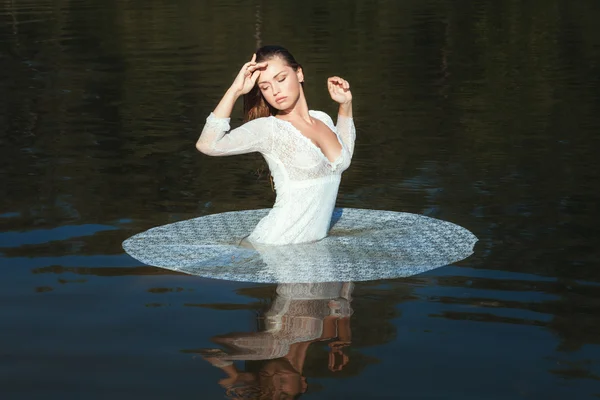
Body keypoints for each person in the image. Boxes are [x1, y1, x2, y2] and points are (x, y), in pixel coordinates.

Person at [196, 45, 355, 246]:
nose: (275, 91)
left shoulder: (321, 118)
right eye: (265, 87)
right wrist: (235, 90)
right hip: (275, 246)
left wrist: (345, 106)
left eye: (281, 79)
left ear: (299, 73)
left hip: (313, 249)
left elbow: (344, 154)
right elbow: (207, 145)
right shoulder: (269, 129)